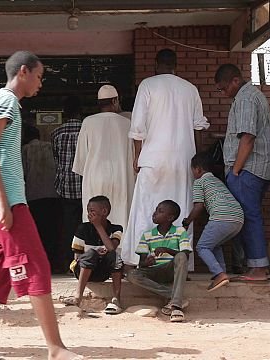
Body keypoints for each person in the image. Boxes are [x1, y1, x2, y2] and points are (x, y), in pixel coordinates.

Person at [0, 51, 80, 360]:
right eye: (40, 76)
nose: (41, 84)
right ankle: (55, 348)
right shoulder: (7, 102)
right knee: (38, 267)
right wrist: (5, 200)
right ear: (23, 72)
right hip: (6, 204)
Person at [121, 49, 209, 271]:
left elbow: (138, 127)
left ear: (156, 64)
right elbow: (199, 126)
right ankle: (182, 265)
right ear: (175, 65)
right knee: (181, 211)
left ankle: (140, 261)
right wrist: (197, 158)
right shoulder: (190, 89)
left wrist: (136, 156)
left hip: (152, 159)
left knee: (146, 210)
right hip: (183, 160)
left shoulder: (148, 85)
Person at [215, 64, 270, 282]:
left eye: (224, 88)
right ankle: (255, 265)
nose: (224, 93)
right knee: (250, 216)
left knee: (249, 217)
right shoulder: (252, 96)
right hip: (257, 168)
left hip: (248, 169)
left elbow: (247, 137)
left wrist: (236, 170)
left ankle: (259, 267)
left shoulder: (245, 99)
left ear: (235, 80)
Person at [72, 84, 134, 229]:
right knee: (121, 216)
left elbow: (81, 161)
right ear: (115, 101)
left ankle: (94, 248)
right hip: (121, 178)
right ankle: (119, 248)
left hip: (95, 178)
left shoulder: (88, 122)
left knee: (95, 218)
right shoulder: (126, 123)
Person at [182, 152, 244, 292]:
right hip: (238, 218)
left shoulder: (199, 182)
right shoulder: (217, 180)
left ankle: (219, 274)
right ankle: (221, 272)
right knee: (214, 244)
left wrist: (187, 221)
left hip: (222, 217)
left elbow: (198, 206)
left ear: (198, 169)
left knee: (202, 247)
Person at [128, 200, 191, 323]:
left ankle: (176, 305)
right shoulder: (147, 235)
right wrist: (147, 262)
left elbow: (186, 255)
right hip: (154, 271)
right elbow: (141, 263)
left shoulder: (180, 232)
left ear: (170, 217)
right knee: (132, 274)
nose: (155, 213)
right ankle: (174, 297)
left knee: (181, 256)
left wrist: (166, 250)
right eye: (156, 209)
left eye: (160, 211)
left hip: (171, 270)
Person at [63, 196, 124, 314]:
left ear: (104, 212)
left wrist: (98, 226)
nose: (89, 214)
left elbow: (111, 248)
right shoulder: (83, 228)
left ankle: (117, 299)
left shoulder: (116, 229)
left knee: (115, 256)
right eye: (88, 211)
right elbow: (77, 257)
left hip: (102, 272)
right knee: (91, 253)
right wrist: (95, 255)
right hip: (82, 270)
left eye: (92, 211)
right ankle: (78, 296)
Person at [51, 95, 84, 272]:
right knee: (86, 225)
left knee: (67, 227)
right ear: (80, 113)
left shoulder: (56, 133)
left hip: (65, 187)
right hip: (85, 186)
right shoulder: (86, 129)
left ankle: (66, 263)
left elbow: (56, 159)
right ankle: (85, 262)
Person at [22, 125, 61, 271]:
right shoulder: (50, 147)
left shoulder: (25, 149)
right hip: (53, 194)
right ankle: (54, 262)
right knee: (52, 231)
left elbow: (23, 172)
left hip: (33, 196)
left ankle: (38, 263)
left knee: (37, 231)